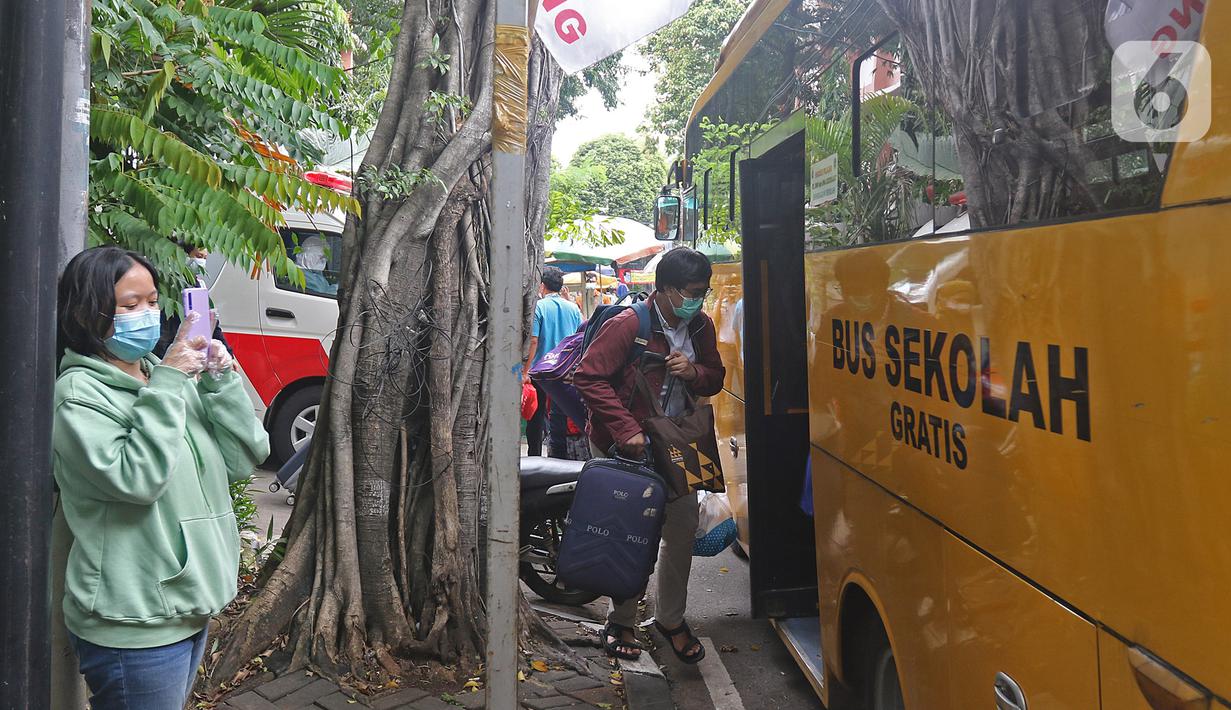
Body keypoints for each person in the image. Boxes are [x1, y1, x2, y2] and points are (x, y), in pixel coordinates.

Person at [53, 246, 270, 709]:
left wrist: (220, 381)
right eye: (129, 306)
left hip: (184, 604)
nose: (146, 315)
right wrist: (173, 382)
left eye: (152, 302)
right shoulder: (78, 396)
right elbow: (138, 481)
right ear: (87, 314)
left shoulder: (160, 378)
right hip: (132, 621)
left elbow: (242, 459)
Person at [574, 246, 725, 665]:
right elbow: (587, 376)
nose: (700, 299)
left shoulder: (700, 327)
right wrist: (626, 430)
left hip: (675, 447)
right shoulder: (629, 324)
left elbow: (716, 377)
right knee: (628, 534)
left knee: (679, 533)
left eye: (704, 291)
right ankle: (620, 619)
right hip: (627, 448)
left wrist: (694, 373)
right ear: (667, 290)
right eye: (694, 291)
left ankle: (670, 619)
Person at [523, 266, 583, 457]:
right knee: (562, 415)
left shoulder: (539, 307)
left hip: (541, 372)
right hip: (566, 371)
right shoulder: (573, 308)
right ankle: (561, 455)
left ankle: (534, 456)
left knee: (536, 417)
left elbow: (534, 340)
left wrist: (525, 372)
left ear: (542, 286)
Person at [153, 241, 231, 358]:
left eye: (205, 258)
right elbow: (163, 329)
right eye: (199, 256)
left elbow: (210, 323)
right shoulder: (166, 284)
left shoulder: (199, 284)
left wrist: (229, 354)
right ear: (182, 255)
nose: (202, 262)